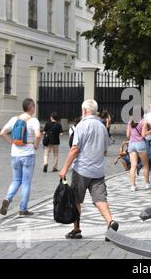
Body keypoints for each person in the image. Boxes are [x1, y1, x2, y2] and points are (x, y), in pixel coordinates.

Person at [58, 99, 119, 240]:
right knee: (100, 198)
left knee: (76, 199)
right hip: (98, 170)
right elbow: (104, 150)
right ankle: (111, 222)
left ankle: (76, 229)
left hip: (82, 170)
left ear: (84, 111)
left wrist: (64, 169)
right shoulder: (102, 127)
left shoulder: (81, 126)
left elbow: (74, 149)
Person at [0, 98, 41, 216]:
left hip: (15, 154)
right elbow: (38, 135)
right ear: (31, 107)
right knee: (26, 182)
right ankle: (23, 209)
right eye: (34, 106)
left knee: (16, 180)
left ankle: (8, 198)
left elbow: (2, 132)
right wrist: (36, 146)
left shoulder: (14, 119)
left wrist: (12, 142)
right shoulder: (33, 121)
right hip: (28, 154)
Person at [126, 118, 150, 191]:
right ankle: (147, 184)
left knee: (133, 166)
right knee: (145, 165)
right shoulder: (143, 122)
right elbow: (143, 135)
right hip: (141, 144)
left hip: (132, 144)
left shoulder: (130, 122)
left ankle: (133, 186)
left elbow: (128, 135)